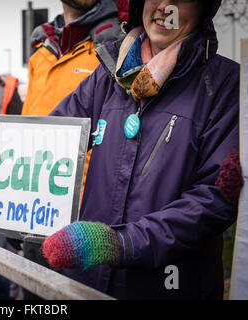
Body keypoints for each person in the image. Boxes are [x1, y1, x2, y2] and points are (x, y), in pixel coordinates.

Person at [41, 0, 239, 300]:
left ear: (202, 9)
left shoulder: (226, 84)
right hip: (86, 282)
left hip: (169, 288)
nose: (164, 7)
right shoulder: (106, 74)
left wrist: (121, 243)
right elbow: (47, 139)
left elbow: (214, 198)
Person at [19, 0, 128, 299]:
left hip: (85, 221)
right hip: (30, 209)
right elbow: (28, 126)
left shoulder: (117, 41)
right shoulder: (40, 50)